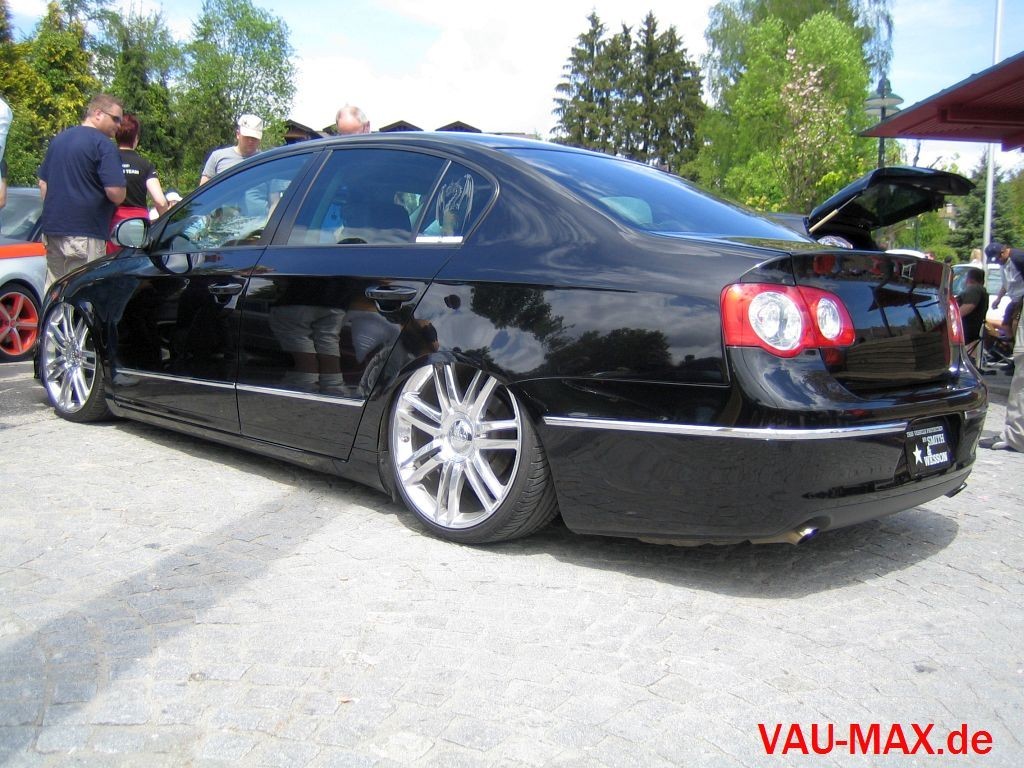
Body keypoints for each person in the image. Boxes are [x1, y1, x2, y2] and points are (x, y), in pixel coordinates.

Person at [37, 93, 126, 288]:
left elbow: (43, 184)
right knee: (82, 293)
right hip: (85, 233)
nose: (119, 125)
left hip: (53, 230)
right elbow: (116, 193)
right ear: (98, 113)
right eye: (116, 119)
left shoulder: (59, 140)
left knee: (54, 291)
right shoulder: (103, 144)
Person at [980, 241, 1024, 452]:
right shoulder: (1010, 262)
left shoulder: (1017, 258)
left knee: (1022, 375)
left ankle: (1017, 436)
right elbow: (1008, 285)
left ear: (1004, 250)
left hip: (1019, 301)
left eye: (999, 256)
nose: (999, 260)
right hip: (1017, 302)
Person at [108, 113, 169, 252]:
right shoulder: (145, 165)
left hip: (112, 223)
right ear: (136, 138)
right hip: (138, 224)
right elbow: (160, 202)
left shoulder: (107, 161)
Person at [199, 114, 263, 185]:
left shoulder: (265, 161)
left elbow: (272, 190)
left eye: (254, 138)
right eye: (247, 137)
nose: (250, 141)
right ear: (238, 134)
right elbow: (204, 188)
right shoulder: (217, 157)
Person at [956, 266, 988, 350]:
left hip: (963, 333)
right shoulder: (982, 291)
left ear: (969, 279)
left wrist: (949, 319)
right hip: (971, 334)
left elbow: (969, 306)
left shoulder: (974, 289)